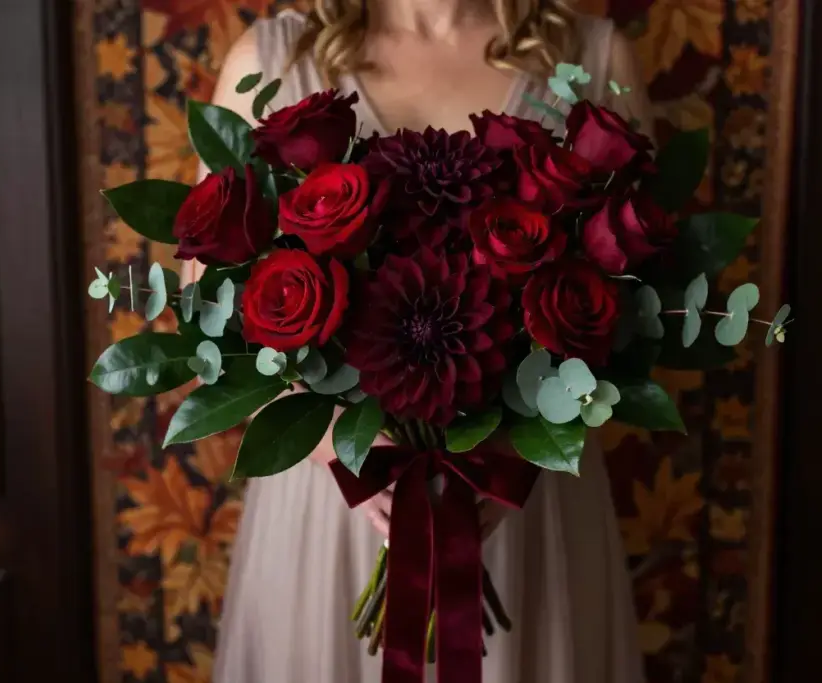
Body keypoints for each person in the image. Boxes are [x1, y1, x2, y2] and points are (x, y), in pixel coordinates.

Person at [185, 1, 653, 680]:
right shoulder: (274, 61)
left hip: (523, 507)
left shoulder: (595, 60)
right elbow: (208, 324)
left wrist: (512, 452)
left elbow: (639, 312)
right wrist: (336, 446)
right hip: (337, 512)